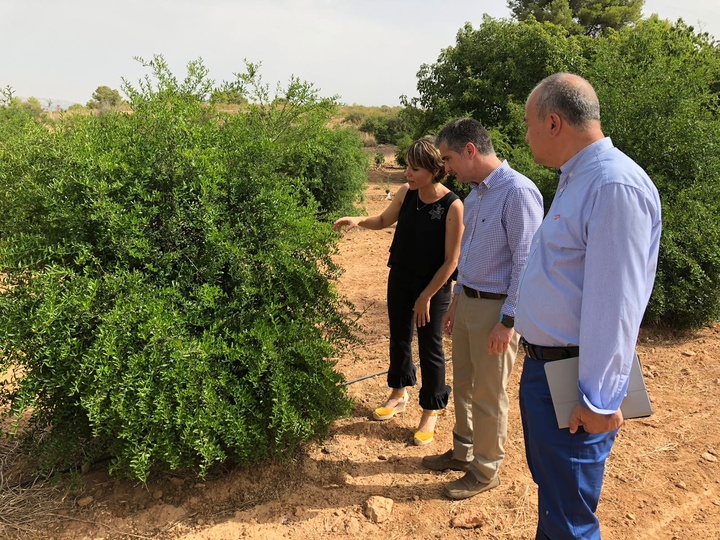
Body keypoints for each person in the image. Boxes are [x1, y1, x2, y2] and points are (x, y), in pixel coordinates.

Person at [515, 73, 662, 539]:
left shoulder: (614, 185)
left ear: (553, 122)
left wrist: (600, 399)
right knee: (556, 503)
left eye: (528, 124)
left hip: (575, 380)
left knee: (569, 521)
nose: (526, 135)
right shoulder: (577, 178)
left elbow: (616, 304)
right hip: (547, 370)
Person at [421, 118, 543, 499]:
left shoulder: (518, 192)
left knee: (489, 394)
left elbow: (526, 262)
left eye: (449, 158)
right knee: (465, 386)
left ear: (470, 151)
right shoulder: (474, 195)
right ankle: (463, 452)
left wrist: (508, 321)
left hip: (497, 313)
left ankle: (486, 470)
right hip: (470, 303)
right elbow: (468, 257)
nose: (447, 168)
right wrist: (456, 300)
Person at [333, 137, 463, 445]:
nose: (408, 173)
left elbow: (452, 260)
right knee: (400, 337)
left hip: (434, 287)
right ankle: (398, 392)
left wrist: (426, 296)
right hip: (401, 276)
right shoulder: (407, 193)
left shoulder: (452, 205)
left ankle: (431, 408)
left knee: (431, 348)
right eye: (407, 165)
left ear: (434, 169)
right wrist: (359, 219)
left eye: (415, 168)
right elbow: (383, 220)